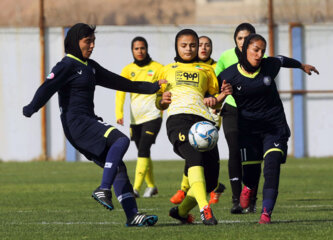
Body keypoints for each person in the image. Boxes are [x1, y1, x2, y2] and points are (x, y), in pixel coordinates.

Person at [22, 23, 166, 227]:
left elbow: (120, 82)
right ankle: (103, 188)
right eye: (87, 41)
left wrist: (151, 87)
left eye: (93, 42)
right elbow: (48, 87)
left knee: (118, 167)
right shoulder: (67, 65)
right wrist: (31, 108)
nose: (92, 46)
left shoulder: (90, 66)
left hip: (87, 122)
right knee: (121, 139)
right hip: (78, 124)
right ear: (74, 42)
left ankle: (132, 216)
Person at [217, 33, 319, 224]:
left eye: (262, 51)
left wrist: (301, 65)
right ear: (245, 49)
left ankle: (266, 213)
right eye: (255, 50)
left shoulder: (269, 65)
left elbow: (282, 59)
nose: (259, 55)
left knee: (271, 166)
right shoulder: (228, 75)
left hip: (274, 126)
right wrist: (218, 98)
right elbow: (213, 96)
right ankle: (248, 187)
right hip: (248, 130)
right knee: (251, 174)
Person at [156, 29, 232, 225]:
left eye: (192, 45)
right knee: (194, 158)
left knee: (212, 181)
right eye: (184, 45)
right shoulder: (166, 69)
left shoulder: (207, 70)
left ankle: (180, 212)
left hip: (204, 123)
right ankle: (204, 209)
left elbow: (213, 103)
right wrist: (161, 101)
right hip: (178, 119)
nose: (188, 49)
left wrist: (221, 98)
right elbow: (159, 102)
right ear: (177, 46)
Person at [169, 35, 226, 206]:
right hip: (183, 118)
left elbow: (215, 94)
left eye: (206, 45)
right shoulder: (172, 69)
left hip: (210, 119)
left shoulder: (213, 68)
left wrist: (218, 98)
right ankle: (185, 190)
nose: (202, 48)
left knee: (209, 173)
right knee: (194, 155)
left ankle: (191, 197)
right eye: (199, 45)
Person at [215, 23, 262, 214]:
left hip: (254, 113)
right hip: (232, 110)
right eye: (240, 38)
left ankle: (251, 200)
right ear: (235, 40)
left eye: (248, 38)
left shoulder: (262, 58)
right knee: (234, 149)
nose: (244, 41)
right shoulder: (226, 57)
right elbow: (216, 82)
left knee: (253, 157)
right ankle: (236, 200)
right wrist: (218, 98)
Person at [115, 37, 163, 198]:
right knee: (144, 152)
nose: (140, 51)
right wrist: (119, 113)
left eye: (142, 48)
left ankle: (135, 189)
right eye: (136, 48)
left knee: (143, 150)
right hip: (135, 119)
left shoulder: (157, 68)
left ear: (147, 49)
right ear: (132, 50)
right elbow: (120, 91)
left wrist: (164, 106)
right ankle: (151, 186)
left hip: (153, 116)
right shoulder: (128, 69)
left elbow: (164, 90)